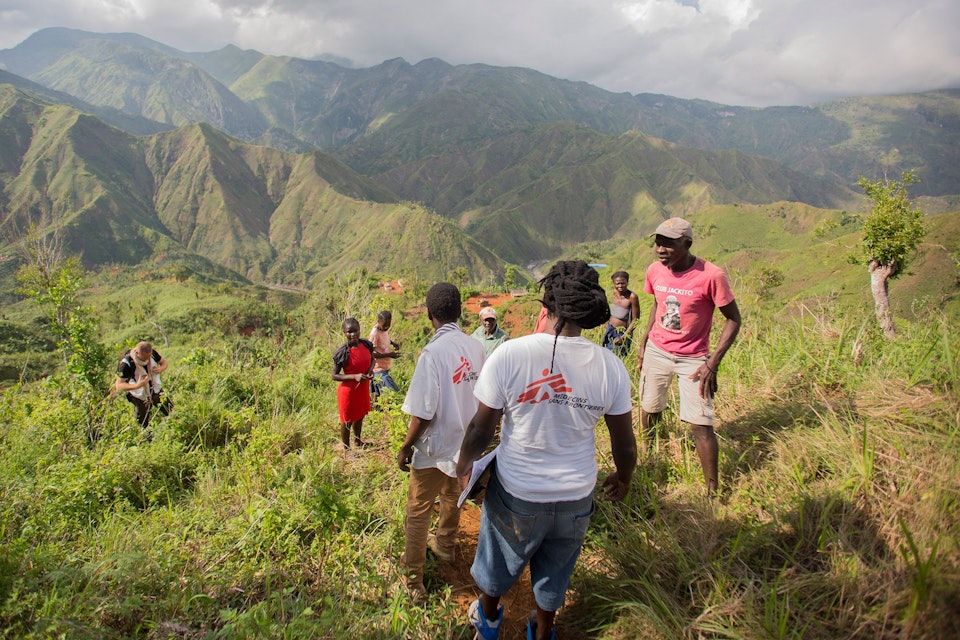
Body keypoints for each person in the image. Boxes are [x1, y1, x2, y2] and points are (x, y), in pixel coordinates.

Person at [457, 261, 637, 640]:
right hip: (575, 496)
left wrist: (463, 468)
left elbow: (479, 430)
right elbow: (624, 443)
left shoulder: (509, 355)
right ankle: (542, 631)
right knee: (556, 571)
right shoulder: (610, 368)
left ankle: (488, 621)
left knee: (496, 567)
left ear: (548, 304)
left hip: (518, 492)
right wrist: (623, 478)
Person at [637, 217, 741, 496]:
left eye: (669, 243)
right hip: (657, 351)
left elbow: (733, 319)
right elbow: (657, 304)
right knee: (650, 409)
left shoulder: (711, 275)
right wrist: (645, 340)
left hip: (694, 359)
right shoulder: (655, 271)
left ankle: (712, 490)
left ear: (687, 244)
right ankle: (652, 458)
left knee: (701, 423)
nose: (660, 248)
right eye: (658, 242)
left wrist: (713, 363)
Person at [397, 283, 486, 600]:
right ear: (460, 312)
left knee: (418, 511)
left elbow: (422, 412)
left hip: (436, 448)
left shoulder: (432, 354)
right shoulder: (476, 348)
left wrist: (406, 446)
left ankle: (413, 581)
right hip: (465, 445)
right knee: (452, 496)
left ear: (429, 314)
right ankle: (445, 547)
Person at [332, 317, 374, 449]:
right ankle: (346, 448)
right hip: (348, 391)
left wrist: (371, 370)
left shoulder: (366, 345)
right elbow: (334, 375)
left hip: (362, 388)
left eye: (355, 330)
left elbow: (372, 359)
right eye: (349, 332)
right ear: (344, 332)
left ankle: (357, 441)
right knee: (347, 420)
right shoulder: (343, 352)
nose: (353, 334)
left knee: (360, 415)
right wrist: (354, 376)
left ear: (359, 330)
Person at [115, 341, 172, 428]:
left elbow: (164, 363)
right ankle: (146, 438)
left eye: (148, 357)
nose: (147, 360)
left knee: (171, 410)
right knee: (142, 422)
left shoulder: (152, 354)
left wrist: (160, 369)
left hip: (155, 389)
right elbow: (119, 385)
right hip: (139, 395)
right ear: (137, 353)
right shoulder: (126, 363)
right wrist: (138, 385)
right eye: (144, 358)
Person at [601, 270, 640, 357]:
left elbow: (635, 319)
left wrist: (624, 336)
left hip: (622, 332)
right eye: (618, 283)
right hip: (610, 329)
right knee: (605, 354)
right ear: (614, 284)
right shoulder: (614, 293)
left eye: (623, 283)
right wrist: (605, 323)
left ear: (627, 282)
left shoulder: (632, 297)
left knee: (618, 357)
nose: (620, 286)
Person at [369, 310, 401, 399]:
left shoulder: (384, 330)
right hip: (377, 369)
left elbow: (385, 338)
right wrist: (389, 355)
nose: (387, 327)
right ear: (379, 322)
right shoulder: (375, 334)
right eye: (384, 325)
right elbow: (371, 354)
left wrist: (393, 343)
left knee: (382, 396)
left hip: (385, 367)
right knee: (391, 393)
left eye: (388, 325)